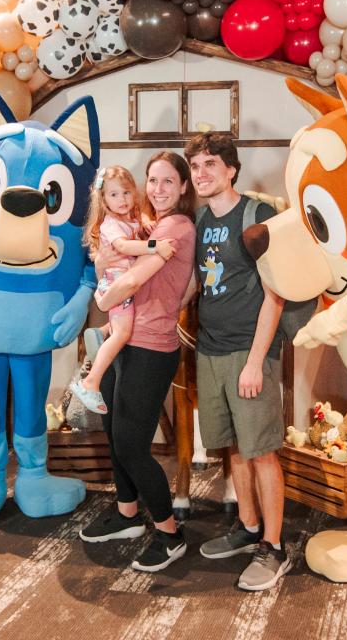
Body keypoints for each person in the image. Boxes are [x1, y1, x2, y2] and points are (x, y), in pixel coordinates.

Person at [78, 152, 196, 573]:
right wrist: (102, 265)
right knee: (113, 430)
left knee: (131, 444)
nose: (159, 189)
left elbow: (129, 281)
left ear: (184, 187)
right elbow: (110, 260)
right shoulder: (145, 223)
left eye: (168, 181)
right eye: (153, 180)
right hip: (124, 341)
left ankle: (169, 533)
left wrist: (101, 295)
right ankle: (128, 514)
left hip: (150, 348)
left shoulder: (175, 226)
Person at [185, 131, 289, 592]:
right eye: (195, 166)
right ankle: (247, 527)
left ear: (230, 168)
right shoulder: (203, 219)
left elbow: (275, 295)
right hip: (209, 350)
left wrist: (255, 361)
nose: (202, 174)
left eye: (210, 164)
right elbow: (201, 283)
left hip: (249, 354)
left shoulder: (257, 216)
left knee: (261, 450)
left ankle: (274, 546)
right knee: (231, 445)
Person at [69, 166, 175, 414]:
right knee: (123, 333)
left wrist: (147, 224)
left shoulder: (129, 220)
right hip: (117, 286)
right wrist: (155, 245)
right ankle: (90, 382)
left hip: (121, 286)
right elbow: (125, 247)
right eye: (114, 195)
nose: (122, 200)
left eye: (127, 193)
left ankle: (102, 332)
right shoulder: (110, 225)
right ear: (103, 200)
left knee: (124, 325)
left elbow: (139, 227)